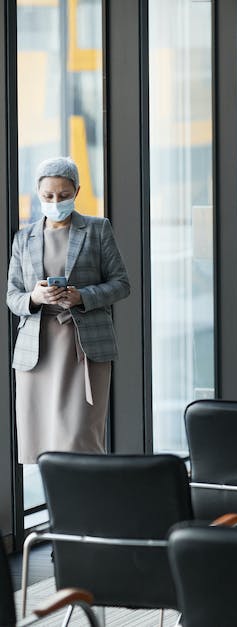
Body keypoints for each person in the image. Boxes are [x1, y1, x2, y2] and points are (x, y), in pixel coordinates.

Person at [7, 157, 130, 464]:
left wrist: (82, 297)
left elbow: (121, 284)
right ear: (38, 192)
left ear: (77, 191)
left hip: (83, 347)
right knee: (40, 439)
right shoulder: (24, 238)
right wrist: (35, 297)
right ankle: (58, 505)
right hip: (38, 350)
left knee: (81, 437)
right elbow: (12, 296)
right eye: (48, 196)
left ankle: (87, 505)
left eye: (63, 195)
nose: (55, 201)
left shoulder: (98, 230)